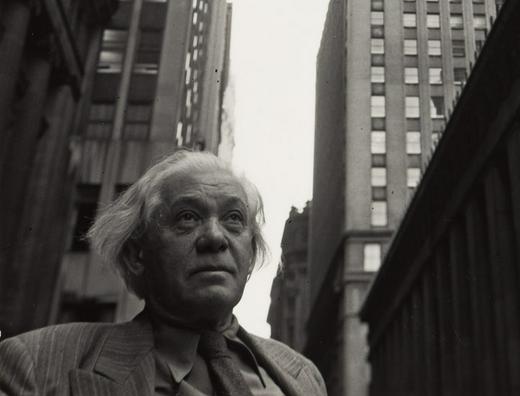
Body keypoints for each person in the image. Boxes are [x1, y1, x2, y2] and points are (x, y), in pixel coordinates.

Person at [0, 149, 326, 395]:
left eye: (233, 218)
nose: (215, 236)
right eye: (187, 216)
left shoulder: (304, 377)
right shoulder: (35, 364)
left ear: (251, 253)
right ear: (136, 254)